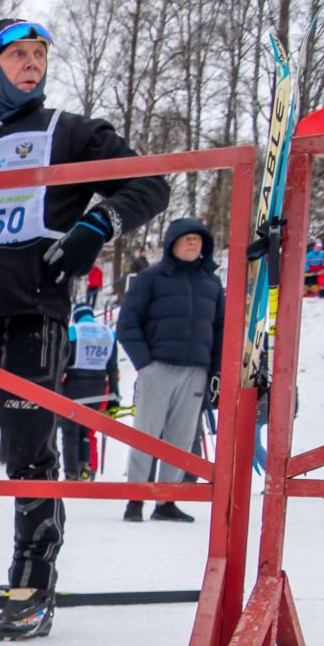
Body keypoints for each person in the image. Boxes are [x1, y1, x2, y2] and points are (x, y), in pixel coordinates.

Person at [0, 17, 169, 637]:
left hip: (31, 314)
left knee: (25, 452)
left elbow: (151, 180)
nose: (32, 65)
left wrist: (99, 226)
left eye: (39, 54)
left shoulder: (66, 133)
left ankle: (31, 584)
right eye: (18, 54)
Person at [116, 217, 223, 522]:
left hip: (196, 371)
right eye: (187, 238)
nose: (193, 243)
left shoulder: (212, 284)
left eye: (198, 238)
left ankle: (166, 501)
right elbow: (127, 323)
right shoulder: (151, 278)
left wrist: (215, 371)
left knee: (181, 438)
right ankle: (135, 500)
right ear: (172, 243)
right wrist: (145, 365)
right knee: (146, 435)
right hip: (158, 367)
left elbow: (221, 329)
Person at [58, 304, 120, 480]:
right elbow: (112, 368)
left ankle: (71, 473)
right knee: (86, 431)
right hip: (99, 390)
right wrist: (115, 395)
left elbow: (63, 363)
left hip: (74, 390)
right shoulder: (108, 334)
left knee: (70, 432)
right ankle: (85, 469)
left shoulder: (73, 332)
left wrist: (56, 387)